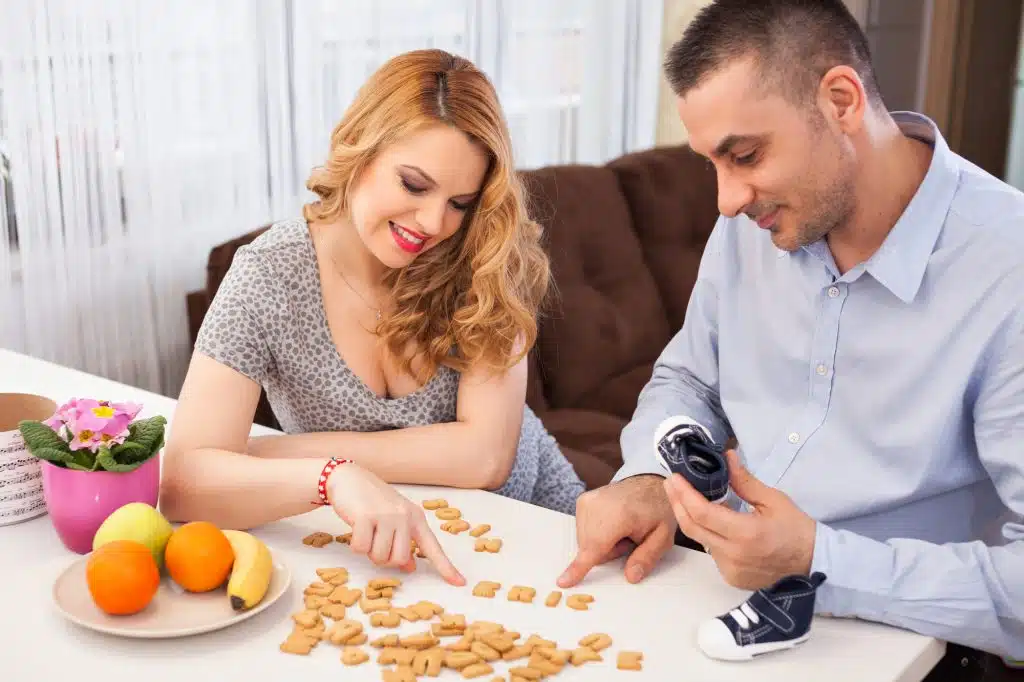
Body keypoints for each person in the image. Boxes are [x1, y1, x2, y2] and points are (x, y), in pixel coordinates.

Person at [558, 0, 1024, 677]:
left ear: (840, 101)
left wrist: (818, 559)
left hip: (908, 649)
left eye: (744, 155)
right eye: (713, 163)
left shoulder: (1008, 271)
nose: (725, 200)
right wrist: (653, 478)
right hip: (709, 600)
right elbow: (688, 380)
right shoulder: (756, 221)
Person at [160, 48, 585, 586]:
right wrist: (330, 478)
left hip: (535, 521)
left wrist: (275, 454)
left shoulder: (485, 252)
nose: (434, 222)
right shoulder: (268, 277)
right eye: (413, 184)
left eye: (460, 202)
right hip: (388, 562)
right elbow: (182, 482)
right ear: (360, 150)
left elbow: (484, 458)